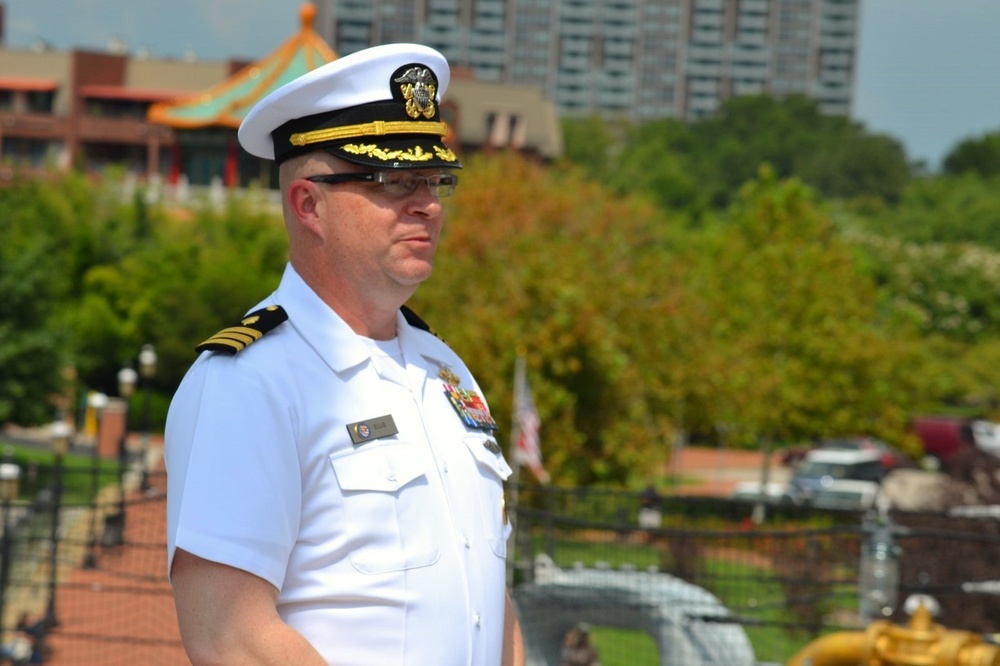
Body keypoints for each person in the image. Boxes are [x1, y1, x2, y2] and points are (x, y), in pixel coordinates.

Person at [165, 43, 524, 665]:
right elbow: (229, 635)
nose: (428, 204)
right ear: (309, 204)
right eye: (393, 180)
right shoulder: (251, 383)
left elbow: (485, 592)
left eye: (436, 180)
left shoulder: (447, 373)